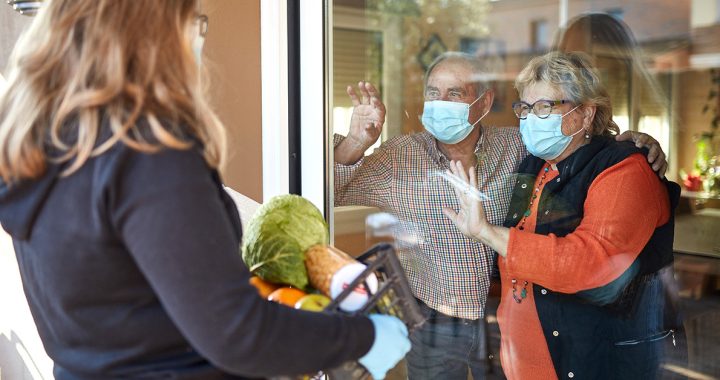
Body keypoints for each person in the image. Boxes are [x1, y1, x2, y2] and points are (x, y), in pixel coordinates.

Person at [0, 1, 410, 379]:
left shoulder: (43, 143)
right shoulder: (148, 154)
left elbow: (129, 296)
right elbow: (237, 334)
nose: (198, 39)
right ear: (152, 29)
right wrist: (363, 337)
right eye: (194, 22)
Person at [333, 52, 667, 379]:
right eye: (433, 93)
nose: (440, 102)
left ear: (483, 102)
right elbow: (327, 190)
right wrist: (354, 143)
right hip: (435, 320)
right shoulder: (398, 156)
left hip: (500, 319)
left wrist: (637, 142)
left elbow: (581, 146)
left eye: (455, 93)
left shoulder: (520, 147)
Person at [443, 51, 681, 379]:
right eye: (525, 108)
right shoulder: (535, 165)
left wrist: (485, 231)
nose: (529, 118)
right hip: (524, 363)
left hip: (594, 363)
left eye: (544, 107)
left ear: (585, 113)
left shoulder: (626, 170)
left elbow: (589, 264)